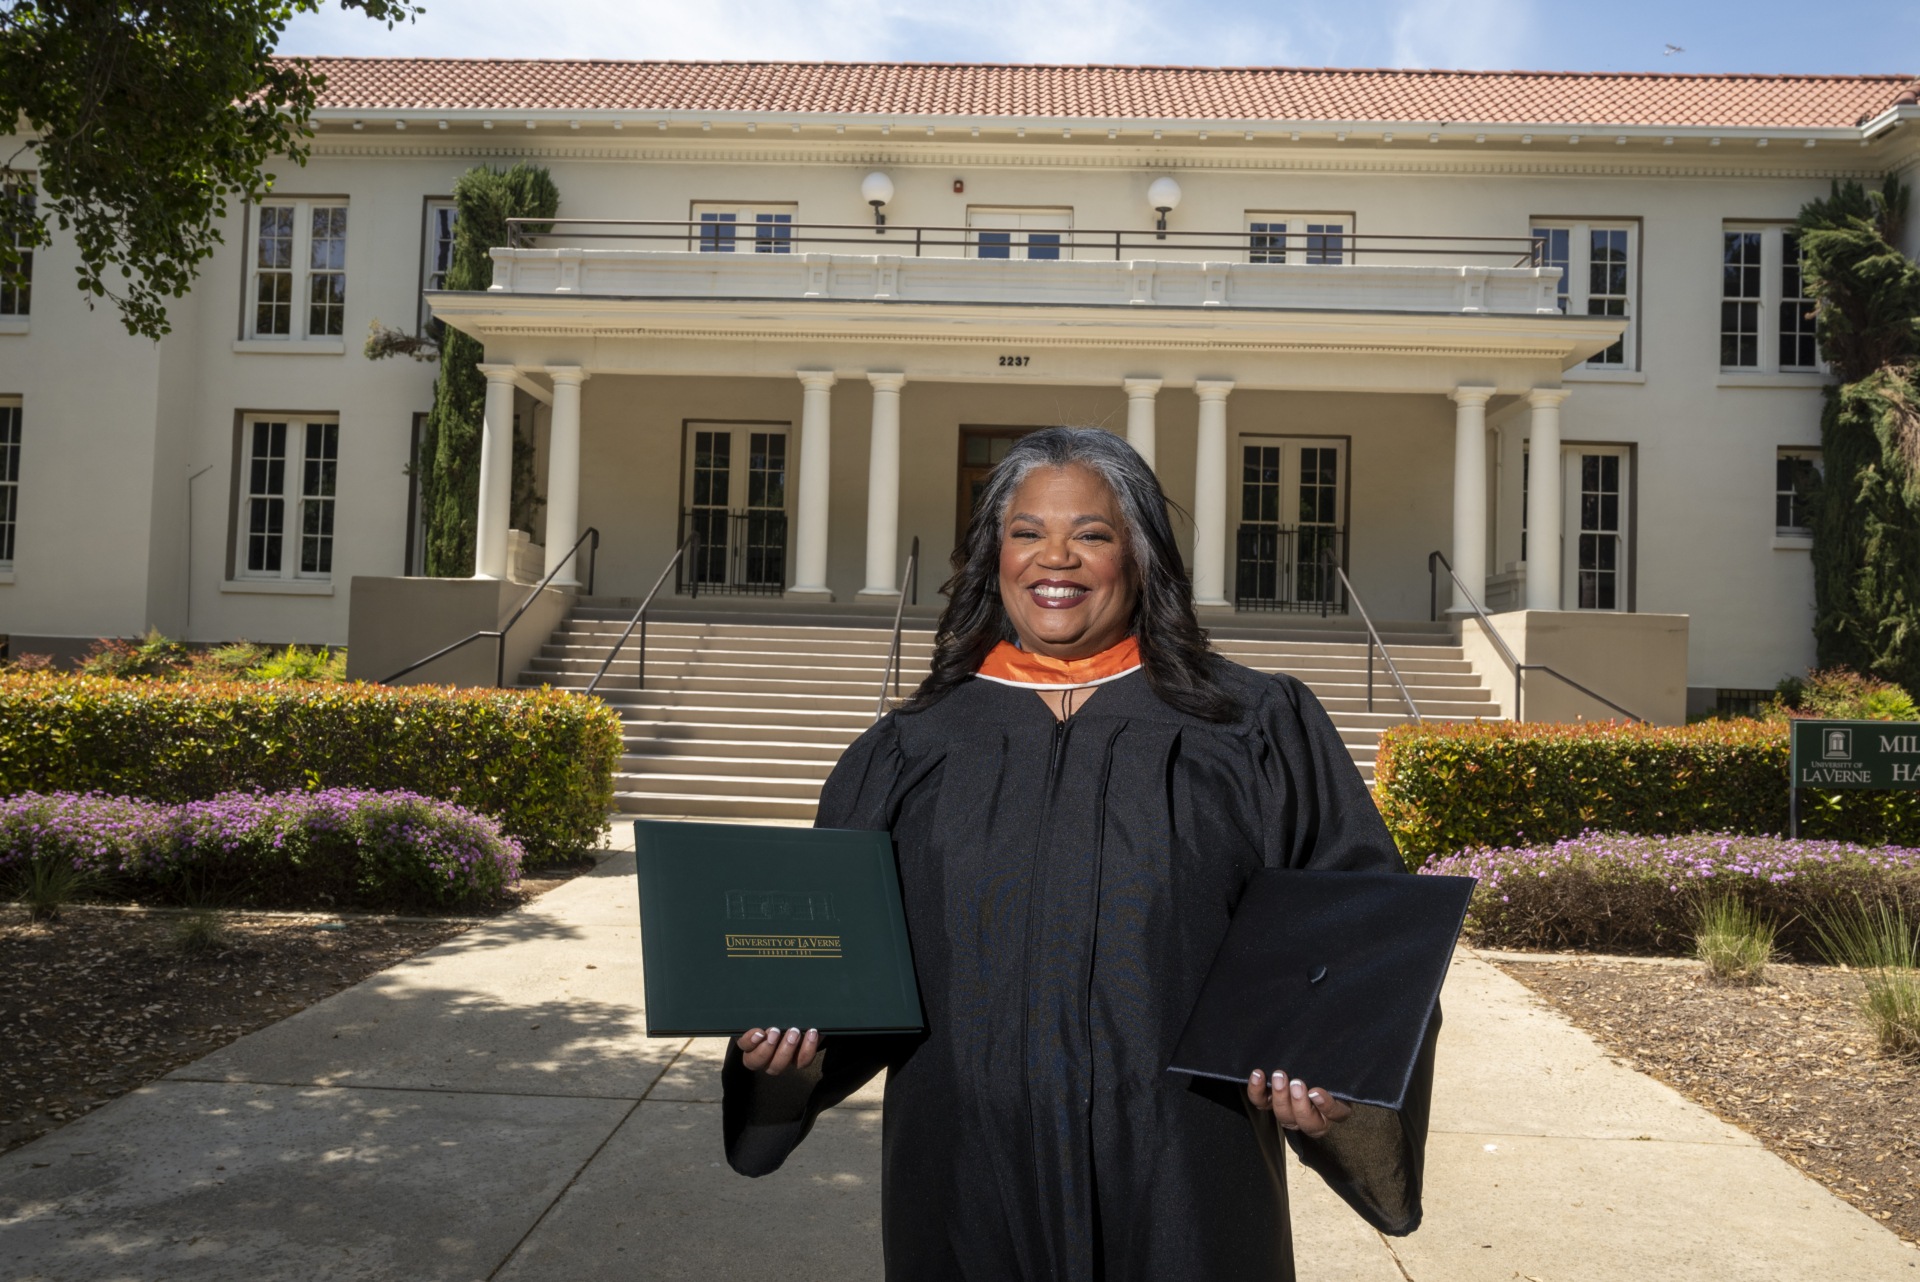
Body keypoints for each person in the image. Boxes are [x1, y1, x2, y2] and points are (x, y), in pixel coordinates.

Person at [722, 427, 1433, 1281]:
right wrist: (784, 1062)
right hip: (963, 1182)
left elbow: (1359, 937)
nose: (1054, 559)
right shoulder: (913, 748)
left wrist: (1338, 1092)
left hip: (1182, 1179)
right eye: (1027, 532)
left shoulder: (1249, 727)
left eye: (1091, 534)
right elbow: (843, 965)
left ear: (1138, 556)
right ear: (994, 555)